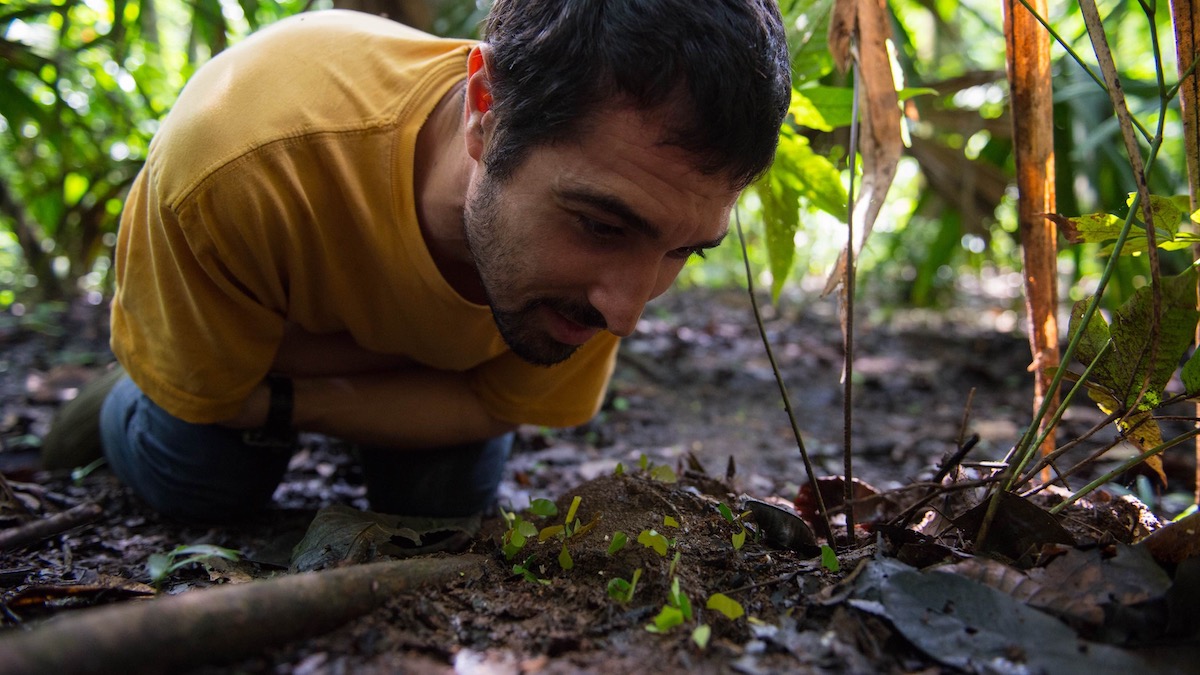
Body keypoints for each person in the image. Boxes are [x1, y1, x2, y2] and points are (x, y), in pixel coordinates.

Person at [43, 0, 791, 523]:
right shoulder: (239, 164)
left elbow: (500, 403)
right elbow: (221, 401)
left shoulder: (612, 207)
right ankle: (139, 370)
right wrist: (222, 388)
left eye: (682, 251)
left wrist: (281, 400)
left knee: (442, 504)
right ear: (485, 110)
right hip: (278, 323)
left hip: (302, 359)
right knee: (204, 481)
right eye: (600, 226)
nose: (627, 313)